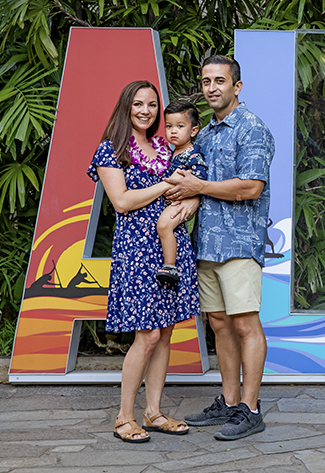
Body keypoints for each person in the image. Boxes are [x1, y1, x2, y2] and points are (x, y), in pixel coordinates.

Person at [166, 55, 275, 441]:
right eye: (206, 81)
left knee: (245, 323)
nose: (212, 87)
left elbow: (251, 187)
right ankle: (229, 403)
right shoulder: (205, 134)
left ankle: (251, 409)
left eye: (220, 81)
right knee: (219, 324)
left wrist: (199, 188)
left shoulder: (252, 129)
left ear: (237, 86)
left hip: (239, 243)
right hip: (206, 244)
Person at [88, 80, 200, 443]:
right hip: (136, 250)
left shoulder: (164, 148)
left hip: (170, 246)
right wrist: (165, 186)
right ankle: (124, 417)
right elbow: (121, 201)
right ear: (127, 106)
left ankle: (152, 412)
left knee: (165, 330)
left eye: (152, 105)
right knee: (148, 334)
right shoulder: (111, 150)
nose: (146, 111)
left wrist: (186, 200)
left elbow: (190, 186)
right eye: (139, 104)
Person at [155, 100, 208, 284]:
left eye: (180, 126)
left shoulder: (192, 154)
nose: (173, 131)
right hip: (170, 201)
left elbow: (200, 179)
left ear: (194, 131)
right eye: (169, 126)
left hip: (181, 202)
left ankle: (170, 266)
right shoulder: (169, 154)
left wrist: (192, 197)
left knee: (163, 225)